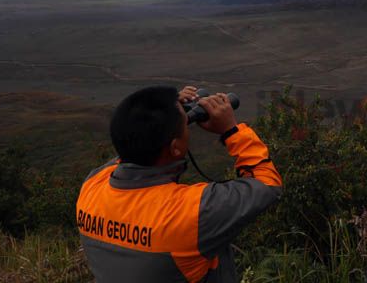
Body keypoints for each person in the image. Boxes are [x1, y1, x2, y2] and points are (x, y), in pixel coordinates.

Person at [76, 86, 282, 282]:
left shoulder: (92, 187)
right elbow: (267, 183)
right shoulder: (191, 213)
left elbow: (132, 149)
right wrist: (231, 131)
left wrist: (167, 114)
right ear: (175, 148)